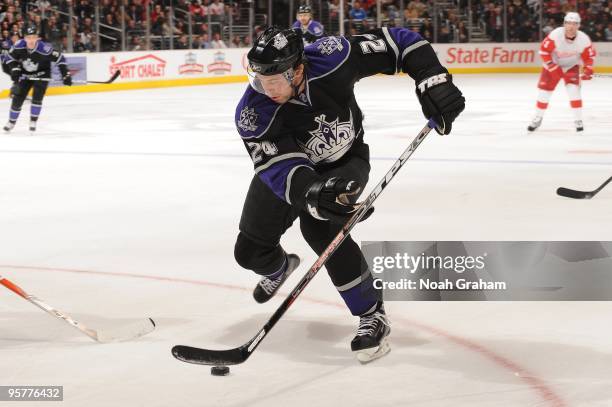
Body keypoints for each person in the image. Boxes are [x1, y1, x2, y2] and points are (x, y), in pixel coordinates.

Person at [234, 27, 464, 362]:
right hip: (293, 176)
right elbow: (277, 167)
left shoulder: (332, 57)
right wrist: (312, 193)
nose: (266, 88)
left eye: (275, 80)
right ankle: (278, 268)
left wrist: (431, 77)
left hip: (345, 163)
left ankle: (371, 312)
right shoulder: (253, 112)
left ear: (298, 69)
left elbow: (400, 42)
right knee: (248, 251)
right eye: (260, 79)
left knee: (322, 230)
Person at [528, 12, 596, 133]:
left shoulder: (584, 39)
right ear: (564, 23)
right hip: (552, 65)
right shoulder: (555, 35)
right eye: (568, 23)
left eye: (574, 24)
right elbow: (544, 52)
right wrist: (553, 67)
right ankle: (537, 118)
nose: (571, 26)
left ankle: (578, 120)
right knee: (544, 94)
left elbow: (589, 56)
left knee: (574, 93)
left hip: (571, 66)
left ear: (579, 25)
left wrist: (588, 69)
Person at [3, 23, 72, 133]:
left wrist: (65, 74)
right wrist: (15, 69)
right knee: (18, 98)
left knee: (37, 97)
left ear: (38, 38)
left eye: (34, 37)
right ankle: (11, 121)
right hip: (25, 75)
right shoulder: (18, 45)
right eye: (28, 37)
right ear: (24, 38)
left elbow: (60, 58)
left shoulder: (44, 49)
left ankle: (33, 121)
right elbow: (9, 58)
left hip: (42, 74)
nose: (31, 40)